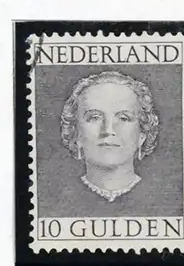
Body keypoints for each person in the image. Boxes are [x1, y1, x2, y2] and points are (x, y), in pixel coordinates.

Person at [56, 71, 167, 207]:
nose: (108, 130)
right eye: (94, 117)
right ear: (76, 132)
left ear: (142, 134)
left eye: (123, 118)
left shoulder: (165, 200)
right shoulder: (57, 200)